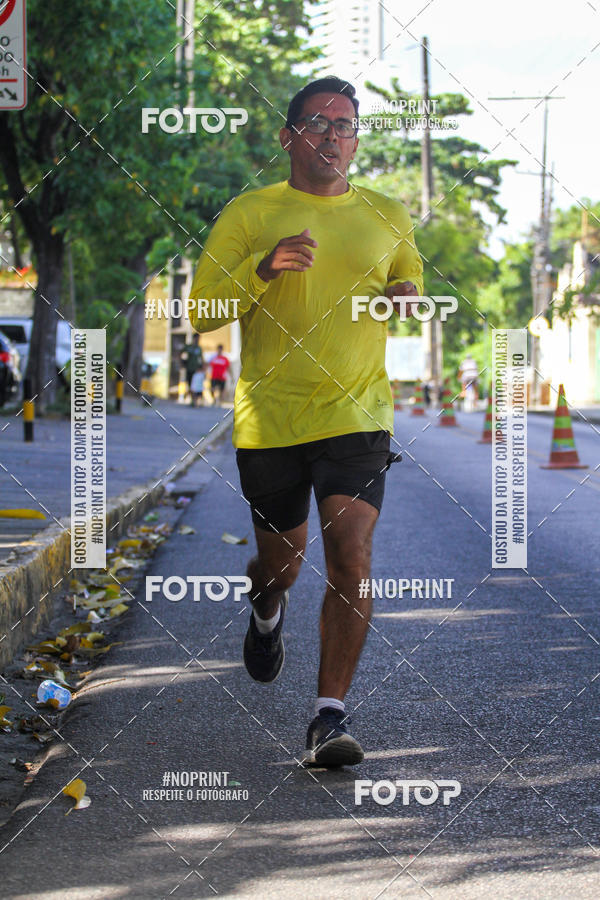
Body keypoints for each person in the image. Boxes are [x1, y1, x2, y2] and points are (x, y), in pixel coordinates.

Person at [189, 77, 423, 767]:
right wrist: (260, 269)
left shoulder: (387, 214)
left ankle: (329, 716)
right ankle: (265, 611)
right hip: (271, 419)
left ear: (356, 139)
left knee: (350, 553)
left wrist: (409, 298)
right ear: (288, 137)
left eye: (346, 126)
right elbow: (201, 312)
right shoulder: (250, 211)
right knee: (281, 565)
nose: (333, 137)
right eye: (318, 124)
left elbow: (408, 287)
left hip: (357, 413)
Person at [182, 334, 204, 399]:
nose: (198, 340)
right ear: (194, 338)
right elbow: (181, 353)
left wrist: (202, 367)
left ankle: (195, 399)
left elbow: (201, 358)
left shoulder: (199, 348)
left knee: (196, 385)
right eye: (197, 338)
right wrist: (182, 362)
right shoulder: (188, 347)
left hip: (196, 369)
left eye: (199, 339)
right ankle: (192, 398)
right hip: (189, 368)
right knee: (190, 384)